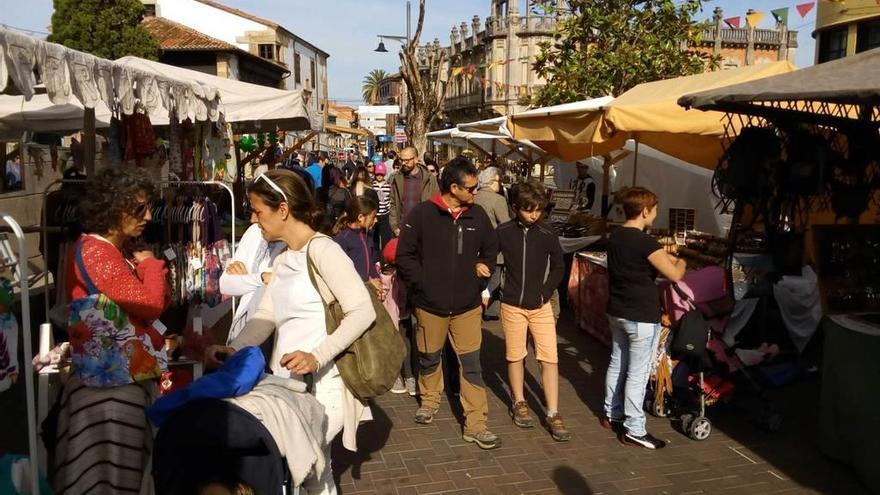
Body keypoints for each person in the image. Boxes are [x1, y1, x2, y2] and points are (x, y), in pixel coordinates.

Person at [205, 169, 376, 494]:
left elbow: (362, 311)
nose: (254, 220)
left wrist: (316, 356)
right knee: (314, 473)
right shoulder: (284, 259)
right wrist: (234, 348)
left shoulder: (325, 251)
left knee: (290, 466)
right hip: (289, 388)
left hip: (326, 388)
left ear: (282, 209)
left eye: (258, 211)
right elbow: (266, 316)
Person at [54, 167, 168, 494]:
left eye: (148, 207)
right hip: (113, 382)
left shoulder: (101, 249)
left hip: (113, 374)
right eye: (138, 208)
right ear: (113, 207)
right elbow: (149, 305)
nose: (147, 215)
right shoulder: (98, 251)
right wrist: (150, 265)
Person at [396, 157, 501, 450]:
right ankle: (429, 401)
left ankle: (476, 423)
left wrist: (484, 266)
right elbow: (405, 256)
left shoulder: (477, 216)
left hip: (467, 306)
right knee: (429, 357)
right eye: (471, 188)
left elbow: (491, 250)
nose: (476, 192)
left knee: (471, 365)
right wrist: (424, 283)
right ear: (453, 187)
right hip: (430, 305)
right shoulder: (421, 215)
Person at [603, 187, 686, 450]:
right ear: (645, 211)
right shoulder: (645, 242)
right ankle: (634, 428)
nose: (656, 214)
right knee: (637, 373)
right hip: (640, 313)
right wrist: (681, 260)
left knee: (618, 363)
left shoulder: (615, 236)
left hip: (618, 310)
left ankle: (612, 413)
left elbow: (639, 264)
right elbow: (674, 274)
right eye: (655, 209)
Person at [496, 180, 569, 442]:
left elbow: (560, 267)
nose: (534, 215)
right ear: (516, 208)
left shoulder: (548, 234)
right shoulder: (503, 231)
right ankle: (518, 401)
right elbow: (489, 259)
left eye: (538, 209)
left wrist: (545, 292)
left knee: (549, 358)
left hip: (541, 306)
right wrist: (486, 290)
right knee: (515, 355)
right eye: (528, 210)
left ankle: (553, 411)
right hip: (512, 304)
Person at [473, 166, 510, 321]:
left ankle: (478, 306)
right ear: (493, 181)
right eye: (499, 181)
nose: (500, 184)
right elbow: (505, 224)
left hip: (475, 246)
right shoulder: (498, 199)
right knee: (493, 279)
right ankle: (490, 311)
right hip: (494, 247)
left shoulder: (473, 196)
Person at [389, 146, 439, 237]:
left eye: (407, 160)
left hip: (423, 230)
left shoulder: (429, 178)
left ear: (415, 159)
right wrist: (395, 227)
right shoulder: (397, 178)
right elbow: (393, 204)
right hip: (402, 230)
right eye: (402, 160)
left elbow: (437, 203)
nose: (403, 163)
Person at [332, 196, 381, 286]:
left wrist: (377, 279)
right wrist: (368, 283)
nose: (376, 220)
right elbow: (342, 273)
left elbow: (370, 261)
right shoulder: (342, 239)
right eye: (373, 217)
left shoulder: (367, 235)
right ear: (360, 217)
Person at [372, 161, 394, 252]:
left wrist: (389, 209)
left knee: (386, 237)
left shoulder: (388, 186)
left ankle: (385, 258)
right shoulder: (372, 185)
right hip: (375, 215)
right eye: (377, 174)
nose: (379, 176)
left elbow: (390, 199)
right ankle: (376, 257)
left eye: (381, 174)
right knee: (375, 237)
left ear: (384, 174)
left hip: (385, 215)